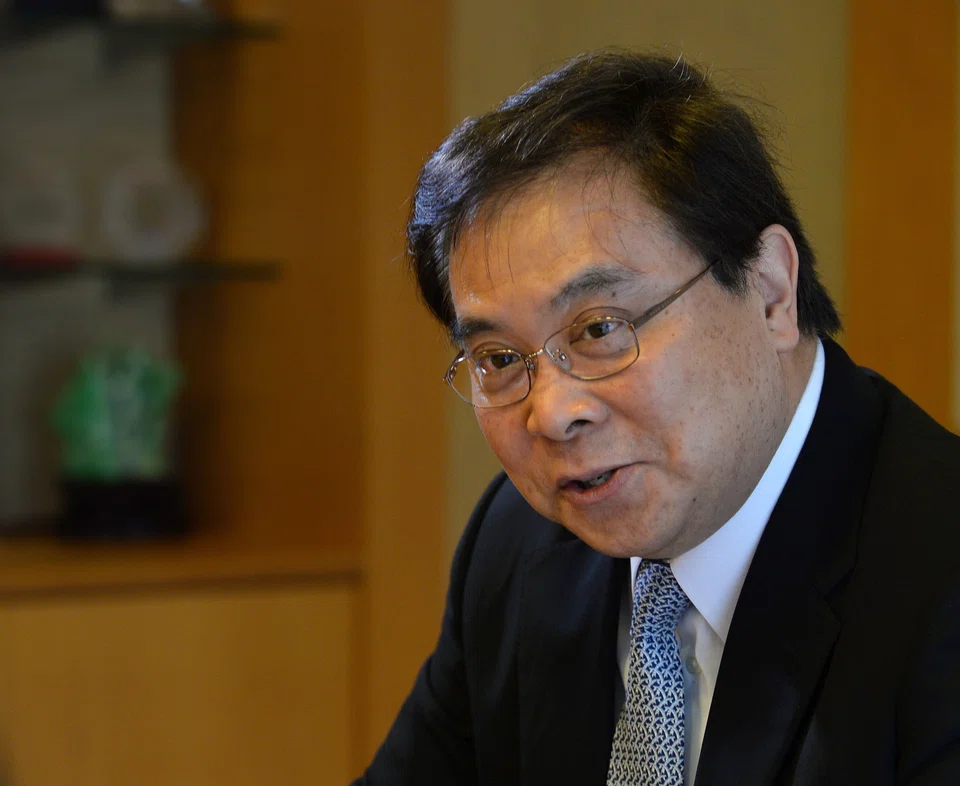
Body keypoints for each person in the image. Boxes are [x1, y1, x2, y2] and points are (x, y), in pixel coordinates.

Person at [352, 49, 960, 785]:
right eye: (500, 358)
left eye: (600, 329)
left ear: (770, 291)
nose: (554, 414)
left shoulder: (936, 580)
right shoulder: (517, 544)